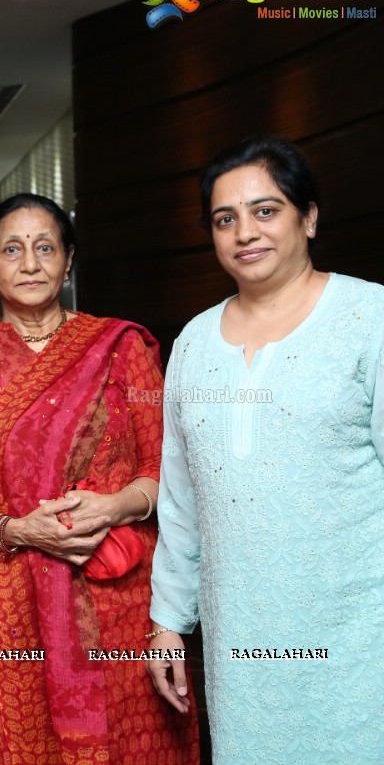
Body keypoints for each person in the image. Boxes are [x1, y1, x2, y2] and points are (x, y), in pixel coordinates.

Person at [0, 193, 200, 764]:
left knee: (125, 741)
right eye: (12, 249)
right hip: (3, 607)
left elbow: (164, 467)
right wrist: (18, 529)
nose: (29, 264)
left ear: (68, 260)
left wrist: (114, 506)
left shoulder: (120, 349)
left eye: (45, 248)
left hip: (114, 593)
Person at [148, 136, 384, 762]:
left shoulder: (370, 319)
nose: (245, 232)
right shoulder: (195, 342)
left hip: (361, 637)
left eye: (266, 210)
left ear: (308, 217)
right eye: (225, 219)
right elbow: (180, 501)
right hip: (241, 644)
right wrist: (168, 622)